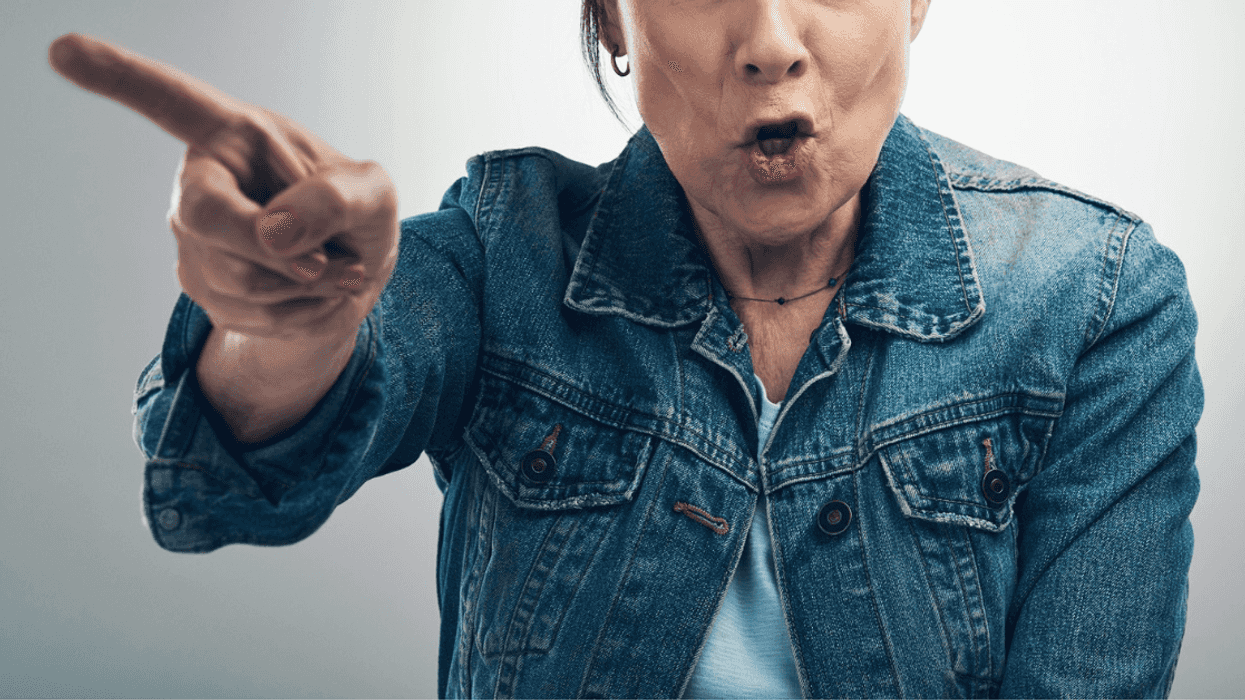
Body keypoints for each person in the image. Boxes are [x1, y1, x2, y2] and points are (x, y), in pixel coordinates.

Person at [49, 0, 1202, 697]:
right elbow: (235, 480)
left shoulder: (1095, 303)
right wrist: (285, 321)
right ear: (609, 15)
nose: (769, 42)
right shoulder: (506, 253)